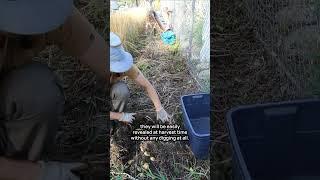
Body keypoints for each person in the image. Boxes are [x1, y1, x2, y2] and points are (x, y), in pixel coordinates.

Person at [0, 1, 107, 180]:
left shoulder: (45, 8)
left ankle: (21, 160)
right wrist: (41, 174)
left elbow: (106, 61)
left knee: (35, 88)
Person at [109, 32, 170, 126]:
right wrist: (119, 116)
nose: (120, 73)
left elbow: (147, 85)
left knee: (121, 90)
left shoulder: (127, 67)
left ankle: (119, 121)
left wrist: (159, 108)